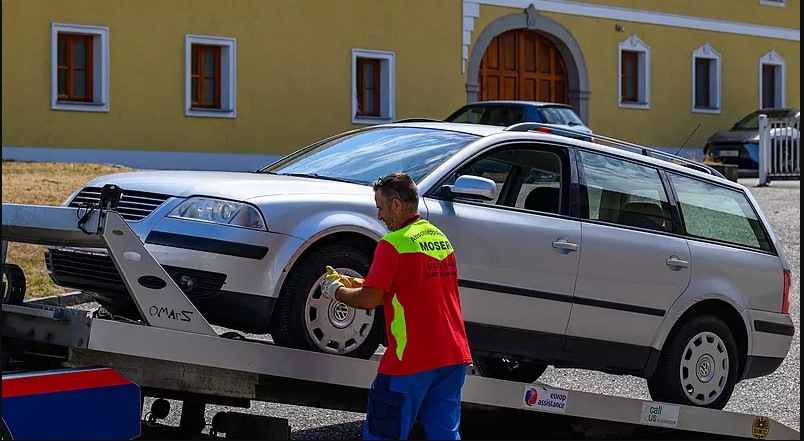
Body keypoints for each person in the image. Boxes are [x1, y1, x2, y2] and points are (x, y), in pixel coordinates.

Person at [321, 172, 472, 440]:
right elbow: (408, 287)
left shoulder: (393, 244)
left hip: (411, 358)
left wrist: (337, 291)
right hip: (452, 355)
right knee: (445, 435)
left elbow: (370, 299)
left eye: (380, 208)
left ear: (397, 205)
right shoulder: (439, 238)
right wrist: (359, 282)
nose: (379, 216)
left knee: (384, 433)